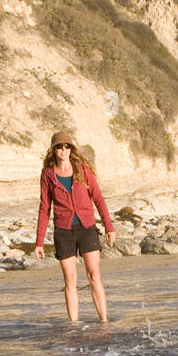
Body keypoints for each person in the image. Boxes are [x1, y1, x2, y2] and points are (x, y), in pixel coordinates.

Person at [34, 131, 116, 322]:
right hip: (63, 232)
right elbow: (44, 207)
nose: (63, 149)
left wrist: (109, 227)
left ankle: (104, 321)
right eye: (59, 146)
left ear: (71, 149)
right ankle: (74, 325)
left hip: (87, 228)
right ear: (53, 150)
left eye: (67, 146)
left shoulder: (82, 169)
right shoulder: (47, 174)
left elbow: (98, 198)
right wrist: (39, 242)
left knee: (94, 275)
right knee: (70, 280)